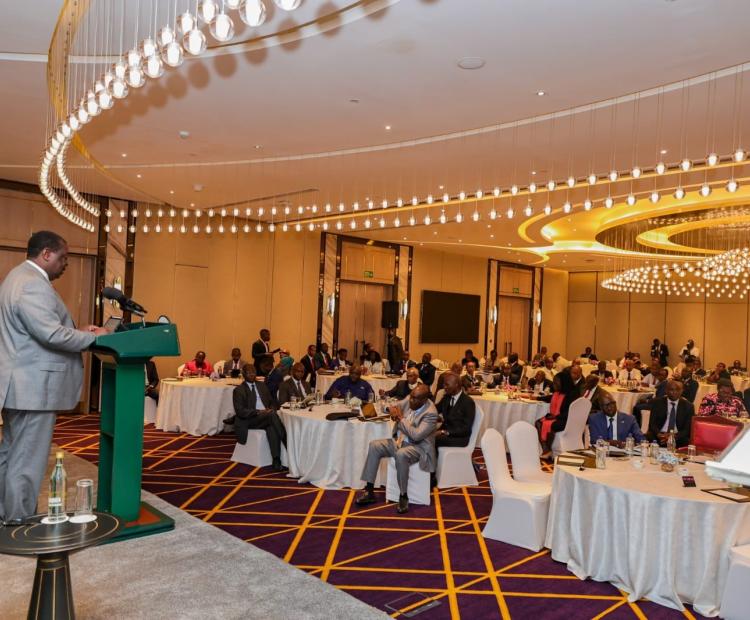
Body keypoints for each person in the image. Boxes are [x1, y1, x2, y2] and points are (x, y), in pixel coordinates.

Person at [0, 231, 109, 525]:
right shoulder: (32, 285)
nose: (65, 265)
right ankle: (18, 522)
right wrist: (93, 338)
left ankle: (6, 513)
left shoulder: (17, 277)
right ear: (46, 254)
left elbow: (44, 329)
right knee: (27, 460)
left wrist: (80, 330)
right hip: (33, 388)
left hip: (21, 386)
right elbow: (50, 333)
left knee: (11, 453)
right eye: (63, 258)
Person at [355, 384, 437, 514]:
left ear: (424, 400)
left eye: (415, 399)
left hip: (418, 447)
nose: (411, 401)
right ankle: (369, 491)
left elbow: (416, 435)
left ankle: (403, 496)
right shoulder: (410, 399)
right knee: (374, 445)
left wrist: (400, 418)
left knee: (401, 454)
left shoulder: (431, 413)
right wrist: (391, 409)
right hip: (400, 441)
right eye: (411, 397)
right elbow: (395, 405)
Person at [231, 364, 286, 471]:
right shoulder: (239, 390)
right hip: (249, 419)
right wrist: (259, 412)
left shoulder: (262, 385)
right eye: (249, 372)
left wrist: (271, 408)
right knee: (271, 417)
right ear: (243, 374)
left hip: (266, 417)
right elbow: (240, 411)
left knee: (271, 426)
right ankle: (286, 440)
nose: (252, 374)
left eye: (254, 372)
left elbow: (272, 401)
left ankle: (276, 460)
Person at [432, 372, 476, 486]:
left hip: (460, 438)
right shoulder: (447, 397)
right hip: (446, 432)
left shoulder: (468, 402)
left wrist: (444, 432)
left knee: (433, 439)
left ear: (456, 385)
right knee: (426, 434)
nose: (444, 387)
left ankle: (432, 474)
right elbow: (435, 409)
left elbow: (466, 428)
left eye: (447, 385)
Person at [536, 373, 577, 458]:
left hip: (566, 420)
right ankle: (546, 449)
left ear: (563, 382)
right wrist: (537, 398)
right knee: (538, 423)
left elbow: (570, 412)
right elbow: (549, 398)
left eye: (556, 382)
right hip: (557, 417)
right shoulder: (558, 393)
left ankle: (548, 450)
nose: (554, 384)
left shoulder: (572, 394)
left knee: (551, 425)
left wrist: (556, 417)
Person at [646, 380, 694, 448]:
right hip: (660, 435)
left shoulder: (688, 406)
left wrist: (673, 436)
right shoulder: (657, 403)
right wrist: (659, 435)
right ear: (666, 390)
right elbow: (652, 424)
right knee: (648, 438)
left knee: (686, 441)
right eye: (671, 389)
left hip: (678, 437)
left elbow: (687, 429)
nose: (674, 392)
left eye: (678, 390)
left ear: (682, 390)